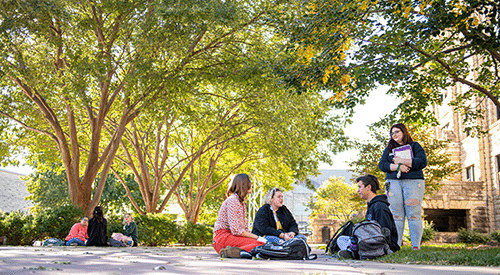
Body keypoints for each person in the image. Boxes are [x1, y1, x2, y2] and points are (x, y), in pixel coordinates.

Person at [378, 123, 427, 250]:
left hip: (413, 182)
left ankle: (416, 246)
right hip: (393, 183)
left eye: (397, 132)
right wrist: (397, 167)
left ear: (404, 132)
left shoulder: (414, 146)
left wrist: (403, 161)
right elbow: (382, 165)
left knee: (414, 214)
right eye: (392, 133)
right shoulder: (389, 149)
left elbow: (422, 162)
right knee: (396, 215)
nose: (394, 135)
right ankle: (396, 246)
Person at [212, 173, 266, 258]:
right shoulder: (232, 200)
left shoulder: (242, 202)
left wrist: (255, 238)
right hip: (222, 237)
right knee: (259, 244)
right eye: (249, 183)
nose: (251, 184)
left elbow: (244, 229)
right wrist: (257, 237)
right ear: (244, 185)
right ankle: (235, 251)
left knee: (263, 244)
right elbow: (236, 230)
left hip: (233, 236)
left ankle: (237, 252)